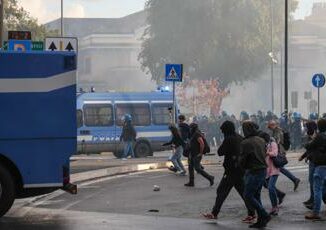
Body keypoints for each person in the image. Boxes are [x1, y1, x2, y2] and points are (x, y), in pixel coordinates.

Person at [202, 121, 256, 223]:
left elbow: (220, 152)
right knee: (243, 192)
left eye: (223, 130)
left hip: (231, 170)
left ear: (226, 130)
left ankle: (214, 213)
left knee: (222, 191)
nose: (222, 132)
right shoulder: (239, 137)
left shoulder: (229, 139)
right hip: (240, 169)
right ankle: (252, 213)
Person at [239, 121, 271, 228]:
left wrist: (240, 165)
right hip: (262, 169)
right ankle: (261, 220)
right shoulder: (261, 140)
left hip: (253, 170)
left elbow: (243, 159)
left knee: (248, 195)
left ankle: (264, 215)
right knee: (256, 196)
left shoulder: (245, 142)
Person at [268, 120, 301, 191]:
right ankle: (294, 179)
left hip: (279, 151)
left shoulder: (278, 131)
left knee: (279, 167)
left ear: (274, 125)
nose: (270, 127)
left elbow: (277, 141)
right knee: (279, 167)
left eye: (271, 126)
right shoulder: (275, 131)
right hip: (278, 150)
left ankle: (295, 179)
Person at [305, 118, 326, 220]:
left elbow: (308, 146)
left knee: (317, 189)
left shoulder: (319, 136)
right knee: (324, 188)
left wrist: (312, 138)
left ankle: (316, 212)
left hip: (320, 165)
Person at [260, 132, 285, 216]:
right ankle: (279, 197)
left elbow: (274, 153)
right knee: (269, 186)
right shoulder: (264, 145)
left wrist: (267, 153)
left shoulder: (273, 143)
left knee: (270, 187)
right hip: (267, 169)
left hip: (274, 168)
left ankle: (275, 207)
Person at [184, 123, 214, 187]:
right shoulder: (193, 134)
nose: (190, 129)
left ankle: (210, 177)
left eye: (191, 128)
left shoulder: (197, 134)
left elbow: (202, 143)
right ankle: (191, 182)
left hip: (196, 154)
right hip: (192, 154)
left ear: (193, 128)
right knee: (190, 168)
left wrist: (200, 153)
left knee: (197, 168)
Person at [299, 120, 318, 208]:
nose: (305, 128)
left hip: (316, 162)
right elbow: (309, 149)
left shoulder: (316, 136)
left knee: (314, 182)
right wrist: (303, 156)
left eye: (307, 127)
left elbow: (313, 148)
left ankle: (314, 201)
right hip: (312, 161)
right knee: (311, 181)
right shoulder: (309, 135)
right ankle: (312, 198)